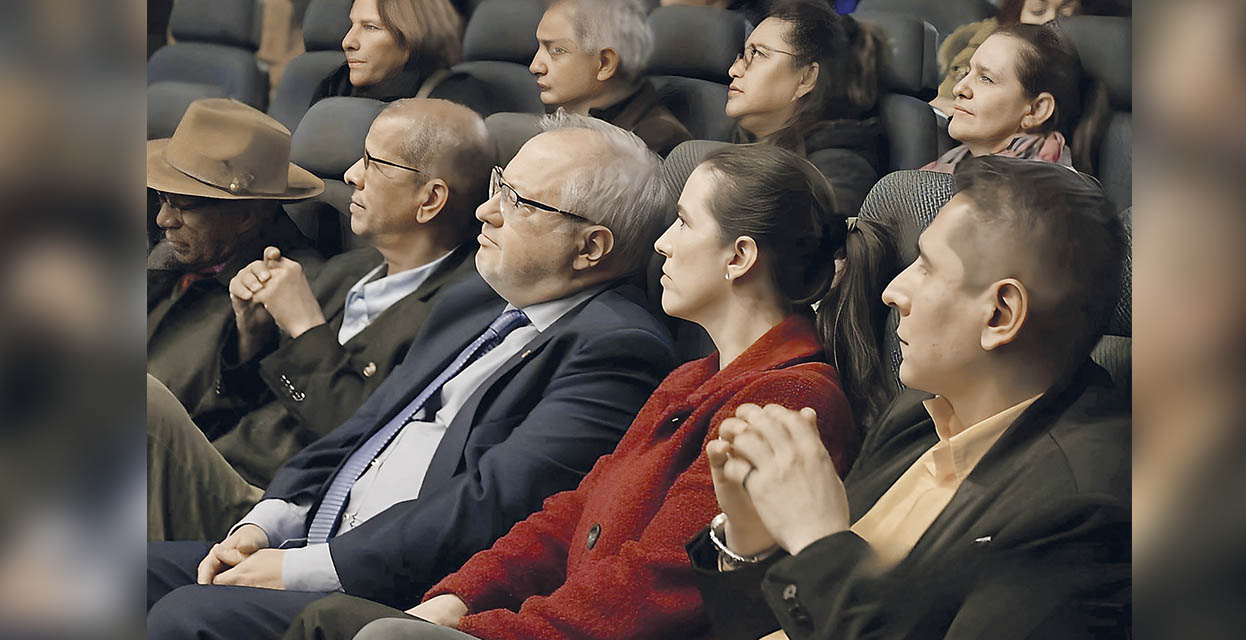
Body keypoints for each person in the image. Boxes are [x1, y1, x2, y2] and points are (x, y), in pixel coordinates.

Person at [279, 143, 898, 640]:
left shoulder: (784, 400)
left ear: (738, 256)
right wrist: (459, 596)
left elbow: (659, 588)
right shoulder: (694, 376)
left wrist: (494, 629)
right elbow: (573, 511)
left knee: (344, 628)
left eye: (683, 223)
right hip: (553, 621)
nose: (660, 242)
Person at [145, 112, 678, 640]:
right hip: (313, 536)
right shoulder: (477, 295)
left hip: (398, 588)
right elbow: (360, 428)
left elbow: (489, 503)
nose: (487, 211)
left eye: (519, 202)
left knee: (186, 615)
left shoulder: (617, 348)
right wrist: (266, 524)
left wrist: (304, 569)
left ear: (591, 248)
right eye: (500, 187)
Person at [689, 156, 1131, 639]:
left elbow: (829, 585)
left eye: (926, 268)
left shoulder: (1078, 514)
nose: (893, 291)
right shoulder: (917, 414)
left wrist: (817, 542)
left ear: (1001, 314)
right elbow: (790, 620)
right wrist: (750, 540)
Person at [147, 98, 495, 542]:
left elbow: (370, 447)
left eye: (374, 162)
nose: (351, 174)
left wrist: (307, 329)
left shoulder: (461, 312)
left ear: (429, 200)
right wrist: (248, 341)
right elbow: (232, 413)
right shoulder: (347, 271)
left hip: (281, 509)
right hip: (222, 470)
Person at [148, 98, 323, 420]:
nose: (163, 219)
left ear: (245, 217)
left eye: (181, 205)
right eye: (162, 199)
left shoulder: (290, 295)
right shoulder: (173, 255)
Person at [725, 0, 886, 217]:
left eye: (757, 54)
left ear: (806, 79)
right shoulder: (734, 140)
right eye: (742, 55)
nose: (734, 70)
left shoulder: (839, 170)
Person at [529, 0, 692, 155]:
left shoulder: (654, 140)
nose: (535, 66)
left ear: (604, 64)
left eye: (557, 50)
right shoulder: (564, 114)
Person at [924, 24, 1086, 173]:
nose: (958, 88)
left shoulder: (1046, 194)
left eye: (986, 78)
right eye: (967, 72)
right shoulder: (948, 167)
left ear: (1037, 110)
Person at [311, 0, 464, 106]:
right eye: (352, 24)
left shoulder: (453, 97)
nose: (347, 42)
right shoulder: (336, 85)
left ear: (411, 38)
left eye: (370, 27)